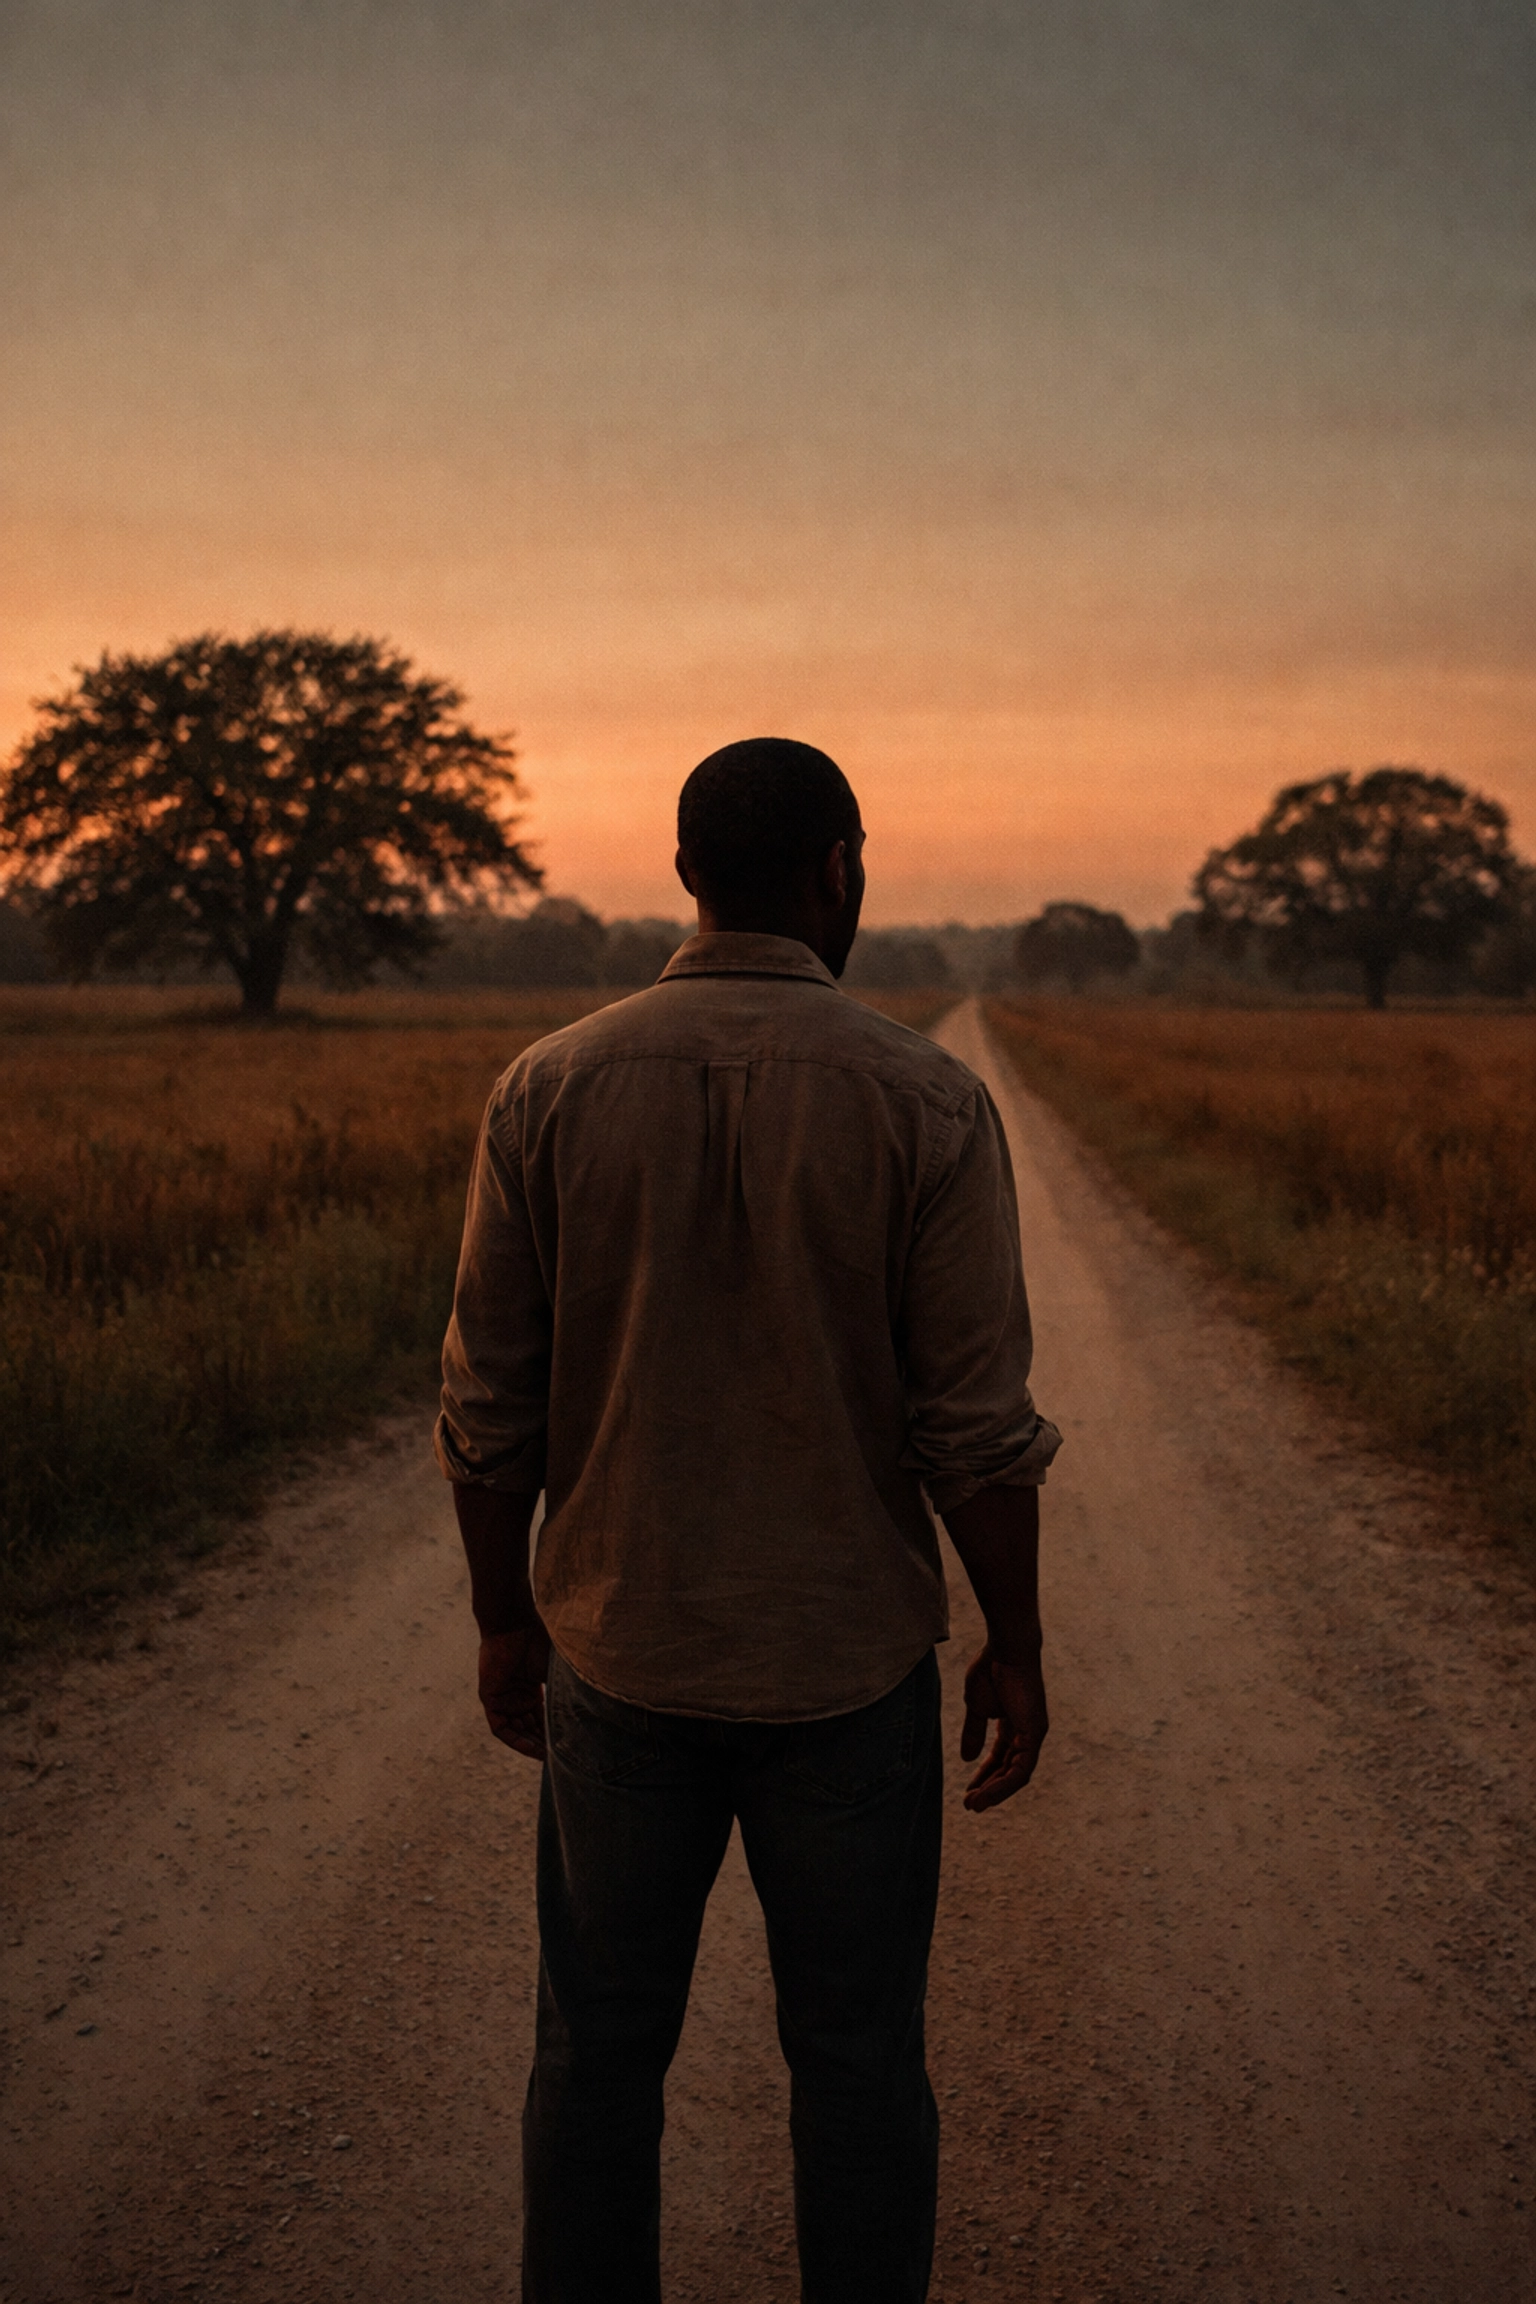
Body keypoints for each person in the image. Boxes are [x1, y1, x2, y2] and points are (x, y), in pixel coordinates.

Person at [436, 737, 1061, 2304]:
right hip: (844, 1676)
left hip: (622, 1657)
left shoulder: (550, 1088)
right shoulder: (929, 1102)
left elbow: (486, 1408)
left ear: (683, 872)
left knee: (595, 2062)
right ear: (838, 868)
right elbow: (974, 1432)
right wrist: (1017, 1642)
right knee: (856, 2063)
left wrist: (505, 1615)